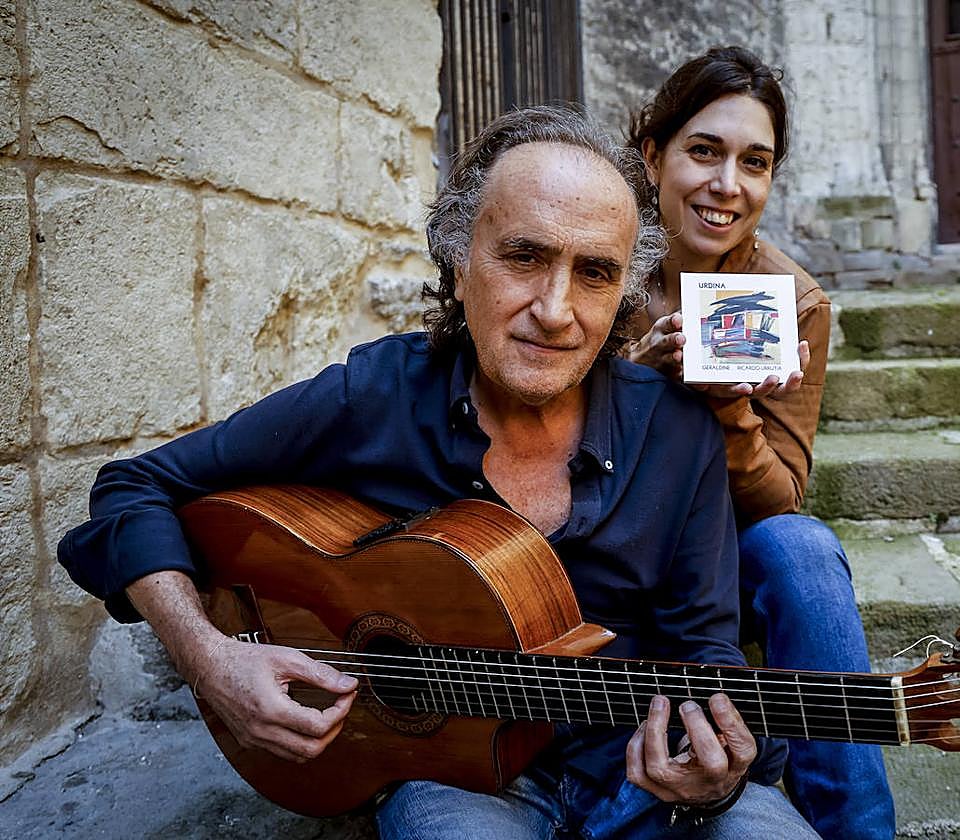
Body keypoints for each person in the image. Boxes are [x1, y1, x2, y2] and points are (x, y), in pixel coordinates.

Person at [57, 105, 819, 840]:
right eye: (523, 256)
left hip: (641, 775)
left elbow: (707, 648)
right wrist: (211, 660)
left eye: (594, 272)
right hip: (450, 778)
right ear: (459, 262)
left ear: (623, 291)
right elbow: (132, 488)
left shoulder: (679, 430)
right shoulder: (374, 398)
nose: (555, 309)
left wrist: (718, 766)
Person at [623, 46, 896, 838]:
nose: (727, 186)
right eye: (703, 151)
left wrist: (731, 408)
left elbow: (779, 505)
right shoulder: (598, 268)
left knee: (802, 548)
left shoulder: (791, 300)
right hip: (592, 552)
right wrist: (640, 379)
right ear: (653, 156)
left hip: (712, 561)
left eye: (755, 163)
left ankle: (856, 825)